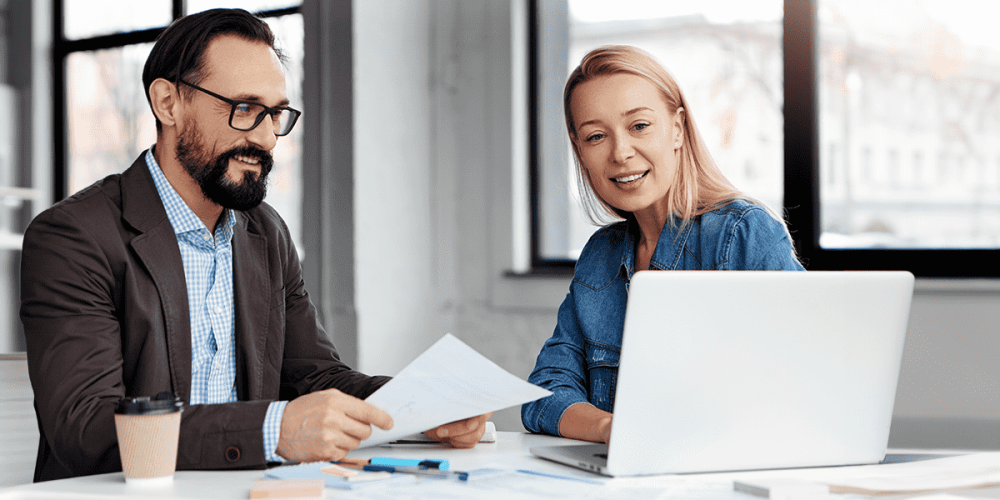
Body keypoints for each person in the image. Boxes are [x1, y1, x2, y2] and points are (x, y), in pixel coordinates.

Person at [20, 8, 489, 482]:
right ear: (167, 103)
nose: (266, 138)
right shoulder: (73, 238)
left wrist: (419, 410)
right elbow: (86, 428)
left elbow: (315, 377)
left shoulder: (265, 233)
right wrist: (272, 430)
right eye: (245, 109)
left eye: (276, 114)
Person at [521, 45, 804, 443]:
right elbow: (543, 393)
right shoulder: (600, 257)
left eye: (639, 126)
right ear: (580, 150)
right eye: (596, 136)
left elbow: (804, 386)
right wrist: (609, 429)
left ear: (676, 128)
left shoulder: (742, 233)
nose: (620, 153)